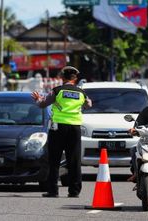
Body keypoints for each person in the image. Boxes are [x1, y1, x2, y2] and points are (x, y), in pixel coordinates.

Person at [31, 66, 92, 198]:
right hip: (75, 128)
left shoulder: (57, 91)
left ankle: (53, 190)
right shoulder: (81, 92)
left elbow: (43, 104)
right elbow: (88, 105)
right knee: (74, 160)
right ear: (75, 78)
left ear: (62, 77)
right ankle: (74, 191)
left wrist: (37, 100)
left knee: (54, 159)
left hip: (58, 128)